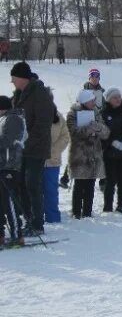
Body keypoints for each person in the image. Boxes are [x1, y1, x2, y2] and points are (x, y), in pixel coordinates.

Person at [11, 62, 54, 236]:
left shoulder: (39, 93)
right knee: (21, 184)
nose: (12, 82)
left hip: (36, 148)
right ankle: (27, 218)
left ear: (22, 78)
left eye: (14, 78)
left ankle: (37, 223)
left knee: (32, 184)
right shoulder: (19, 94)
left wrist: (26, 141)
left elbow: (43, 123)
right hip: (21, 149)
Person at [66, 90, 110, 219]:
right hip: (79, 154)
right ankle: (76, 212)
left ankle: (87, 212)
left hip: (94, 154)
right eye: (91, 100)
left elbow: (106, 132)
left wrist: (98, 127)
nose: (93, 102)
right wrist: (90, 128)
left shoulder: (96, 113)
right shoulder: (72, 114)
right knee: (79, 185)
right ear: (84, 101)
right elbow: (74, 132)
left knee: (90, 184)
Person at [0, 96, 27, 246]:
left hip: (9, 166)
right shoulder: (3, 119)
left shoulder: (13, 119)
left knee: (9, 200)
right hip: (2, 165)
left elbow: (6, 140)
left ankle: (17, 235)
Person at [43, 99, 69, 223]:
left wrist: (53, 151)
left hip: (52, 160)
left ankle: (52, 217)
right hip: (33, 159)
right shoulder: (30, 113)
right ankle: (34, 218)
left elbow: (65, 136)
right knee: (33, 190)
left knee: (51, 190)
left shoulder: (57, 116)